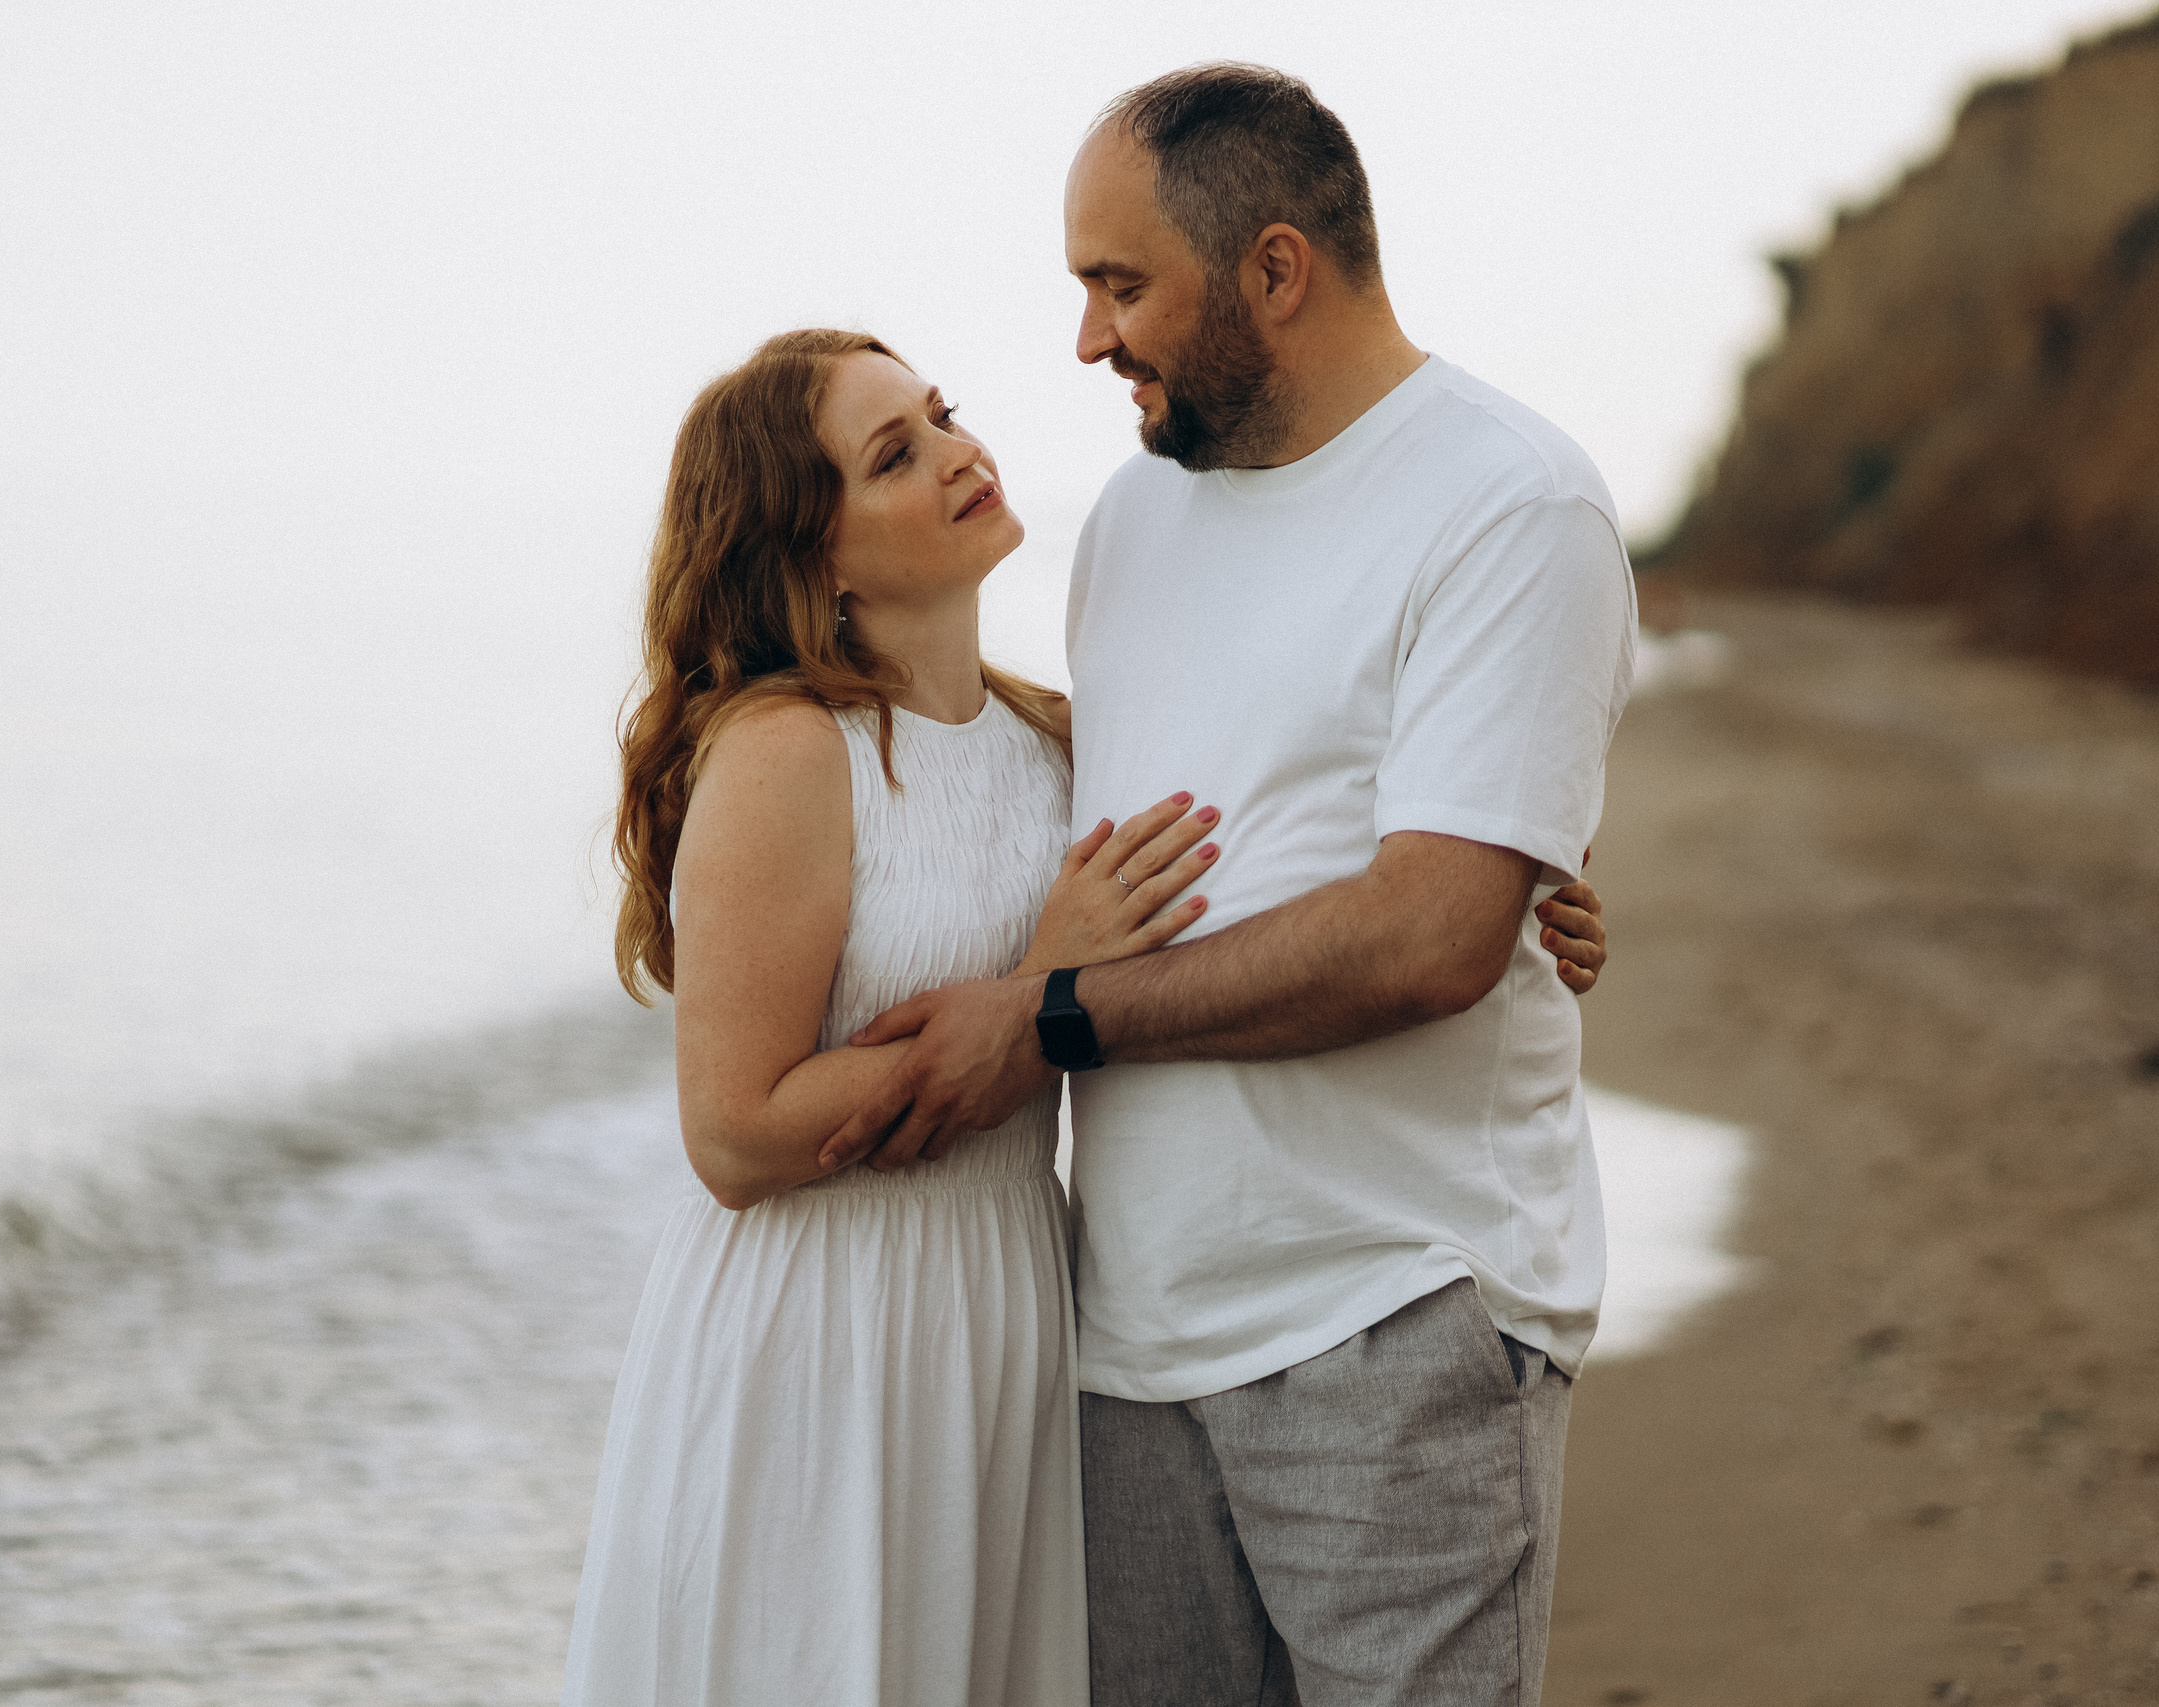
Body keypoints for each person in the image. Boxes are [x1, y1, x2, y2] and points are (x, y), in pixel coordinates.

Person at [559, 328, 1612, 1707]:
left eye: (940, 416)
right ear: (810, 556)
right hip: (831, 1332)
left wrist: (1518, 889)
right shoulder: (784, 751)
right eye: (896, 454)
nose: (958, 452)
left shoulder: (1055, 740)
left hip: (1015, 1314)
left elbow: (1283, 847)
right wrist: (1030, 994)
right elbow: (735, 1136)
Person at [821, 65, 1639, 1707]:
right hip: (1125, 1343)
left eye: (1121, 287)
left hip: (1390, 1315)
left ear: (1275, 270)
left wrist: (1048, 1022)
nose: (1086, 342)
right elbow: (1115, 805)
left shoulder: (1508, 504)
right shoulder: (1132, 519)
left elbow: (1426, 939)